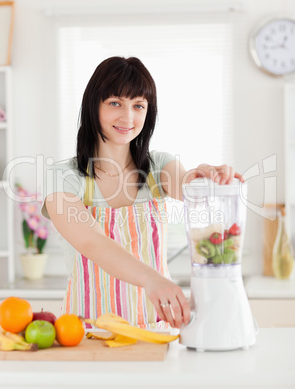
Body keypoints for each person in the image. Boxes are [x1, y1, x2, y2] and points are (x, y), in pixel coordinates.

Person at [42, 56, 243, 330]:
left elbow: (189, 187)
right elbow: (92, 243)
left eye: (138, 105)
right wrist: (152, 279)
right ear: (94, 107)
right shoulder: (63, 177)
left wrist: (208, 179)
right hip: (86, 333)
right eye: (115, 103)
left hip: (155, 330)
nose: (128, 117)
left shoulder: (159, 166)